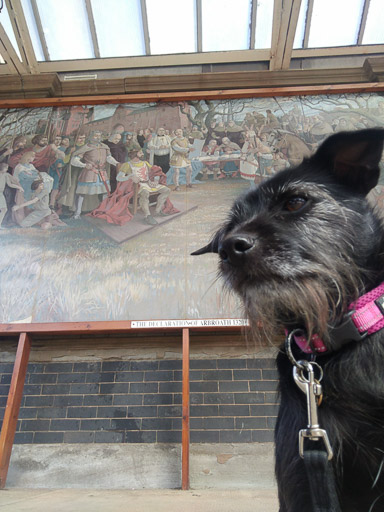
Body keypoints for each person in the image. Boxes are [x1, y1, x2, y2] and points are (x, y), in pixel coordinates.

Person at [70, 130, 119, 219]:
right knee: (82, 193)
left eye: (99, 136)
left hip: (102, 173)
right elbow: (74, 160)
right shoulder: (86, 147)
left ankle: (103, 211)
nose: (98, 137)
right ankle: (77, 213)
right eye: (95, 136)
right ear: (91, 136)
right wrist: (84, 165)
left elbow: (109, 158)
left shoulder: (105, 147)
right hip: (89, 173)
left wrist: (116, 163)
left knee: (105, 193)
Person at [117, 149, 171, 225]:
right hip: (136, 186)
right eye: (140, 153)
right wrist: (130, 176)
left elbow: (155, 171)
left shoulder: (145, 163)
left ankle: (158, 210)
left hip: (148, 183)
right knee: (145, 193)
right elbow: (118, 178)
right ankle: (147, 216)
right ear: (135, 154)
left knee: (166, 190)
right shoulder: (127, 165)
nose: (143, 154)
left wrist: (155, 180)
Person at [0, 162, 23, 228]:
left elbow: (10, 184)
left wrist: (19, 187)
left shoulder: (6, 175)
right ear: (2, 167)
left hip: (0, 194)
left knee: (4, 209)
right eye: (6, 168)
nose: (7, 169)